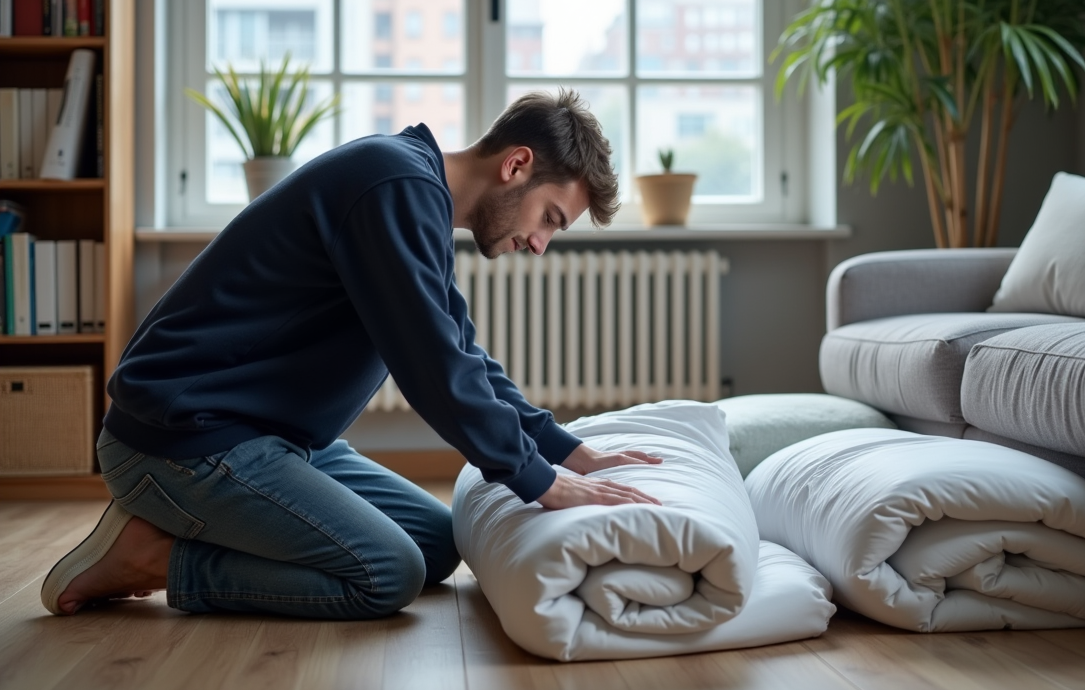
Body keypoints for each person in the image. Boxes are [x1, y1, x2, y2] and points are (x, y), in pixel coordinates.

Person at [42, 89, 662, 620]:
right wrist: (541, 484)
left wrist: (571, 453)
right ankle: (152, 555)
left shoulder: (415, 196)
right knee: (387, 574)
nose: (539, 244)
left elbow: (462, 354)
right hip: (185, 442)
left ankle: (199, 527)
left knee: (438, 548)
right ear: (517, 165)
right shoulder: (393, 187)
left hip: (275, 439)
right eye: (550, 218)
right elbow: (437, 374)